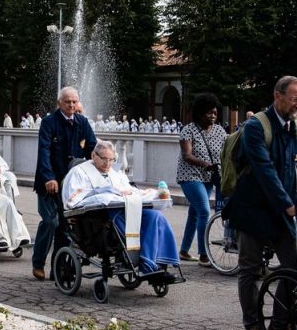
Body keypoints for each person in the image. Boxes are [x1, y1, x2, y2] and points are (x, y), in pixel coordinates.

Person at [229, 76, 297, 330]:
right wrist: (287, 203)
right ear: (277, 96)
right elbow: (264, 170)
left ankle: (280, 325)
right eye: (294, 98)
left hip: (282, 210)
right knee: (250, 268)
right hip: (252, 208)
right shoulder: (255, 127)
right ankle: (253, 326)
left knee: (294, 266)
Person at [63, 141, 180, 279]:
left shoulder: (116, 173)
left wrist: (150, 194)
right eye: (104, 159)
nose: (107, 163)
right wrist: (103, 192)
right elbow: (73, 199)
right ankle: (147, 265)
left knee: (155, 216)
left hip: (125, 207)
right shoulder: (78, 172)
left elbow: (129, 190)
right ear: (93, 155)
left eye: (111, 159)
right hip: (100, 215)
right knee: (116, 215)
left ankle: (158, 263)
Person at [32, 86, 96, 280]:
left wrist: (103, 162)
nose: (71, 105)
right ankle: (38, 262)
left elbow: (92, 148)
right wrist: (49, 177)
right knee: (50, 222)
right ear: (59, 103)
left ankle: (58, 270)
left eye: (74, 101)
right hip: (49, 182)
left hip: (71, 184)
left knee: (66, 228)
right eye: (67, 102)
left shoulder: (82, 122)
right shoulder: (49, 122)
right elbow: (44, 151)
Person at [176, 93, 227, 266]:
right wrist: (204, 164)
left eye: (215, 112)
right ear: (199, 112)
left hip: (209, 177)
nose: (213, 115)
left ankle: (184, 251)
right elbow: (187, 155)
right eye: (209, 112)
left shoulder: (220, 131)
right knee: (204, 211)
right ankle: (204, 255)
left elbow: (227, 150)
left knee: (194, 213)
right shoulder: (188, 130)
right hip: (190, 176)